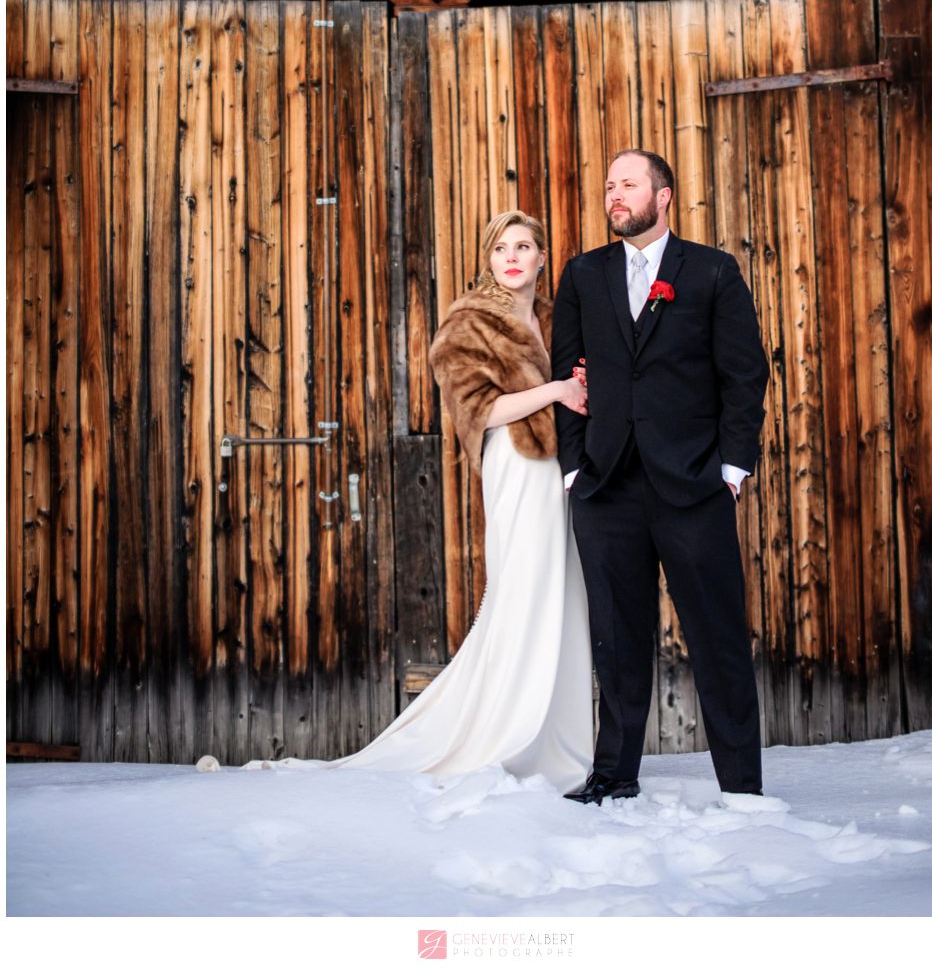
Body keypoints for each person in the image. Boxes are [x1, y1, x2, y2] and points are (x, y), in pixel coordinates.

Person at [245, 210, 594, 791]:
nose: (511, 257)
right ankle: (508, 735)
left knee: (564, 593)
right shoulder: (469, 321)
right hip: (516, 463)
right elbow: (477, 411)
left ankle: (558, 743)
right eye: (500, 248)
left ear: (541, 258)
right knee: (525, 589)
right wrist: (556, 390)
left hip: (561, 469)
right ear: (488, 259)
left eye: (523, 246)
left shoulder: (555, 318)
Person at [551, 149, 769, 805]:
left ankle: (741, 786)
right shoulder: (583, 274)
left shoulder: (709, 271)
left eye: (628, 183)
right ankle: (613, 776)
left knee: (717, 635)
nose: (614, 194)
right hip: (606, 486)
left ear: (663, 194)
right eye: (608, 183)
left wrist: (730, 469)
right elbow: (567, 379)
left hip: (692, 484)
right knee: (616, 638)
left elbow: (744, 374)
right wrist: (571, 469)